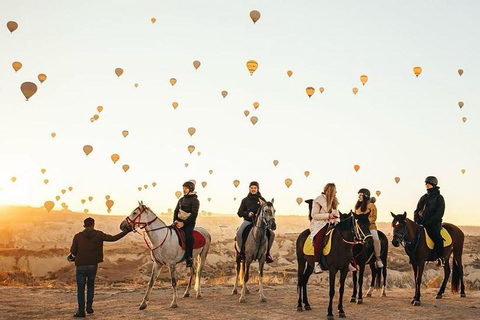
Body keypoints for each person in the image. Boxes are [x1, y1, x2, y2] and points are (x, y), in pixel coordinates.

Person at [69, 217, 132, 318]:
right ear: (93, 224)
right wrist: (127, 231)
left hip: (80, 265)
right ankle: (89, 307)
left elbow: (73, 251)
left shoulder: (77, 236)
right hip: (93, 265)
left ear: (84, 225)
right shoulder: (99, 235)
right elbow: (113, 238)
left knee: (80, 289)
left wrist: (74, 255)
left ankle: (81, 311)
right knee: (90, 286)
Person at [236, 181, 275, 263]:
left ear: (258, 189)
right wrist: (247, 213)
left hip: (260, 223)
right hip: (248, 221)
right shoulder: (245, 200)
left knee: (272, 234)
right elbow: (239, 213)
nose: (253, 189)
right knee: (239, 233)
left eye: (255, 188)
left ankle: (267, 253)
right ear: (249, 189)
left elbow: (267, 210)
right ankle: (241, 252)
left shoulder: (262, 200)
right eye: (252, 188)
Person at [414, 176, 445, 266]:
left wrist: (428, 223)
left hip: (433, 223)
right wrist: (416, 220)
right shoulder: (423, 197)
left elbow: (439, 213)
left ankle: (440, 257)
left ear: (434, 184)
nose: (426, 185)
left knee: (437, 237)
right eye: (426, 183)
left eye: (428, 183)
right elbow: (417, 210)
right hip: (421, 223)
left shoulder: (439, 198)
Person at [310, 183, 340, 274]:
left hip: (332, 222)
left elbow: (336, 213)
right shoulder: (318, 200)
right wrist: (328, 215)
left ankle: (348, 260)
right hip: (320, 224)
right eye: (334, 191)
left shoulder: (334, 201)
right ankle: (317, 263)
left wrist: (336, 218)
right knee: (319, 239)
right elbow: (314, 215)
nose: (335, 193)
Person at [355, 188, 384, 268]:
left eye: (361, 195)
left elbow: (374, 217)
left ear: (365, 196)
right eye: (359, 195)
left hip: (370, 227)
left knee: (376, 240)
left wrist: (365, 221)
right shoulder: (357, 206)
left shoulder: (371, 205)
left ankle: (378, 258)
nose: (359, 197)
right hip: (359, 228)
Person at [173, 181, 199, 268]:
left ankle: (189, 258)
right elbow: (176, 211)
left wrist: (183, 223)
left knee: (189, 238)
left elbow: (194, 214)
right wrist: (175, 221)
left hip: (188, 224)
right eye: (183, 188)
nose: (184, 190)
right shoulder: (180, 200)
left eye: (186, 188)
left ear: (190, 189)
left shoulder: (195, 201)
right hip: (178, 222)